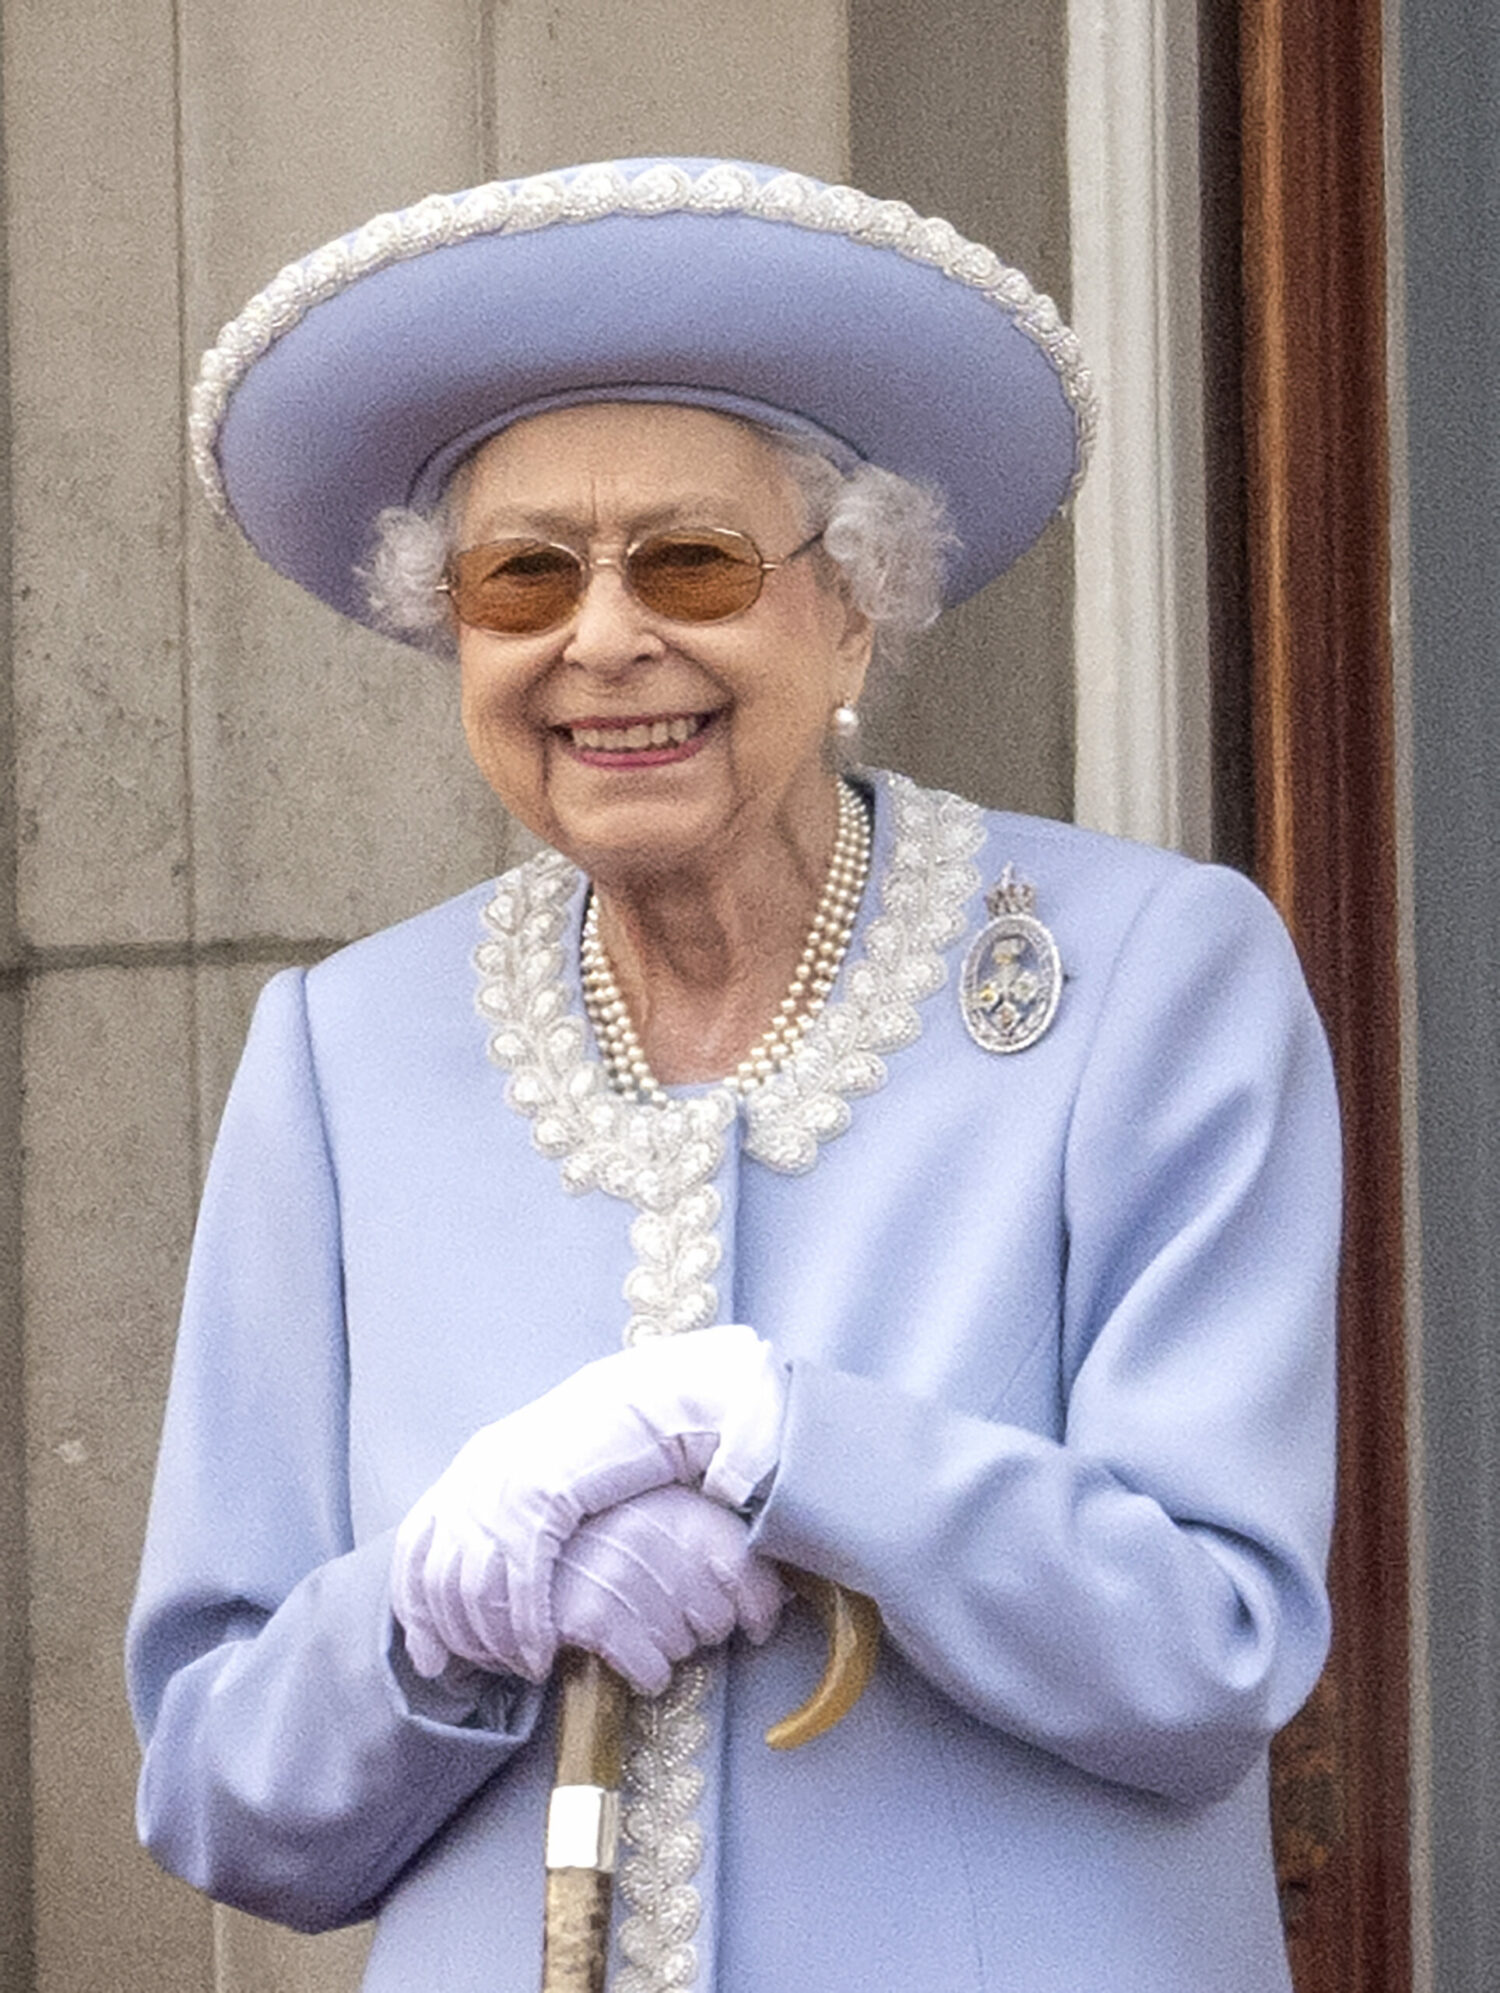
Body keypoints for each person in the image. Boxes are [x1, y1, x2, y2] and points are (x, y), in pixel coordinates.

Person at [127, 157, 1339, 1993]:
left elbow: (1213, 1647)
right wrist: (441, 1613)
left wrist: (795, 1438)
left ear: (854, 613)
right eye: (522, 577)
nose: (604, 639)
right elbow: (221, 1795)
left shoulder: (1149, 977)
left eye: (690, 561)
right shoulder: (341, 1053)